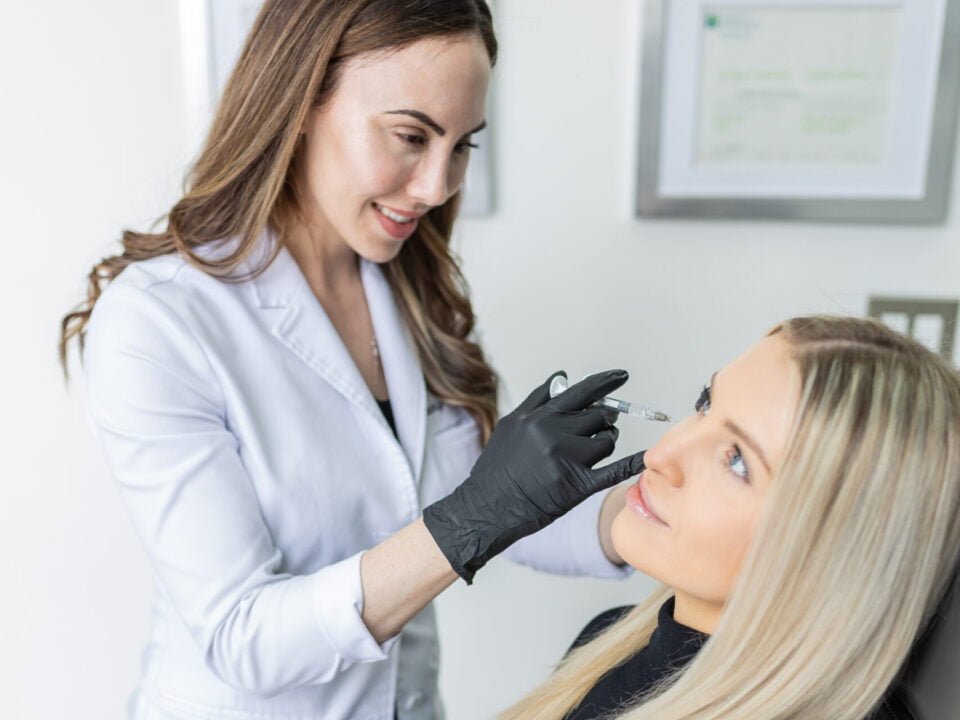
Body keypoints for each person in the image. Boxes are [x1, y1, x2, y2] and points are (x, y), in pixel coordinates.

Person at [57, 2, 645, 718]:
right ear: (302, 100)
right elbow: (243, 637)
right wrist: (467, 521)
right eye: (411, 136)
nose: (436, 187)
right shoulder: (161, 320)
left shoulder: (407, 288)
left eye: (462, 145)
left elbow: (504, 503)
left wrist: (665, 502)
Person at [501, 315, 960, 720]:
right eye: (705, 404)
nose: (659, 455)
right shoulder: (608, 642)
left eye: (737, 461)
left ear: (834, 544)